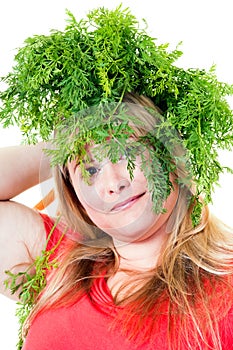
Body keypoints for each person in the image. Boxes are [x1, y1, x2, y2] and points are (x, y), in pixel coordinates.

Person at [1, 6, 233, 350]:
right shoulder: (55, 263)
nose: (112, 183)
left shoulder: (225, 291)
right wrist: (58, 145)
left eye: (126, 153)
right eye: (89, 170)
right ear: (75, 195)